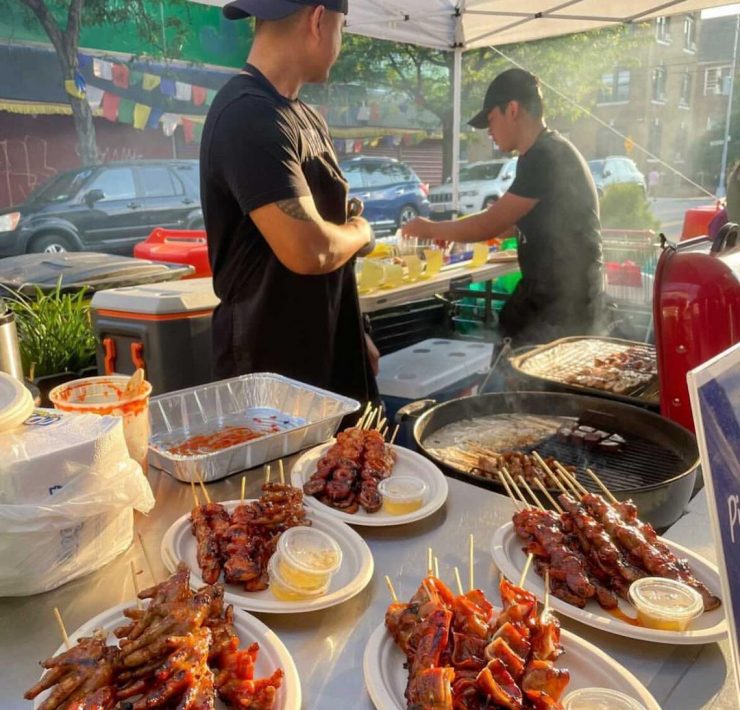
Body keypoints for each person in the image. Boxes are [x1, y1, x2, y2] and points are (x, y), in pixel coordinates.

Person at [200, 0, 379, 408]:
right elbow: (309, 249)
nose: (340, 42)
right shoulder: (247, 114)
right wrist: (362, 233)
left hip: (325, 357)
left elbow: (331, 239)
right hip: (270, 379)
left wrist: (355, 330)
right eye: (342, 27)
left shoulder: (304, 117)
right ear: (319, 20)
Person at [402, 68, 604, 346]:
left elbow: (491, 222)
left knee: (524, 371)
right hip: (555, 295)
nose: (490, 134)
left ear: (512, 109)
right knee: (509, 334)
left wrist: (430, 227)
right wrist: (455, 233)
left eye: (491, 120)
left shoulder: (544, 155)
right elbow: (516, 222)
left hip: (566, 302)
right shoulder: (540, 152)